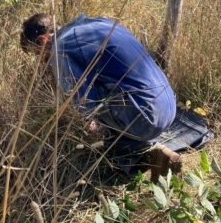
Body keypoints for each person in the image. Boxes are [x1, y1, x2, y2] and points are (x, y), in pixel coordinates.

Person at [20, 13, 182, 181]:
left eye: (37, 54)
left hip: (145, 116)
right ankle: (155, 153)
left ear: (43, 40)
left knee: (89, 125)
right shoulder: (99, 22)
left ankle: (138, 158)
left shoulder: (60, 47)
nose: (42, 61)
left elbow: (83, 105)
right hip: (168, 105)